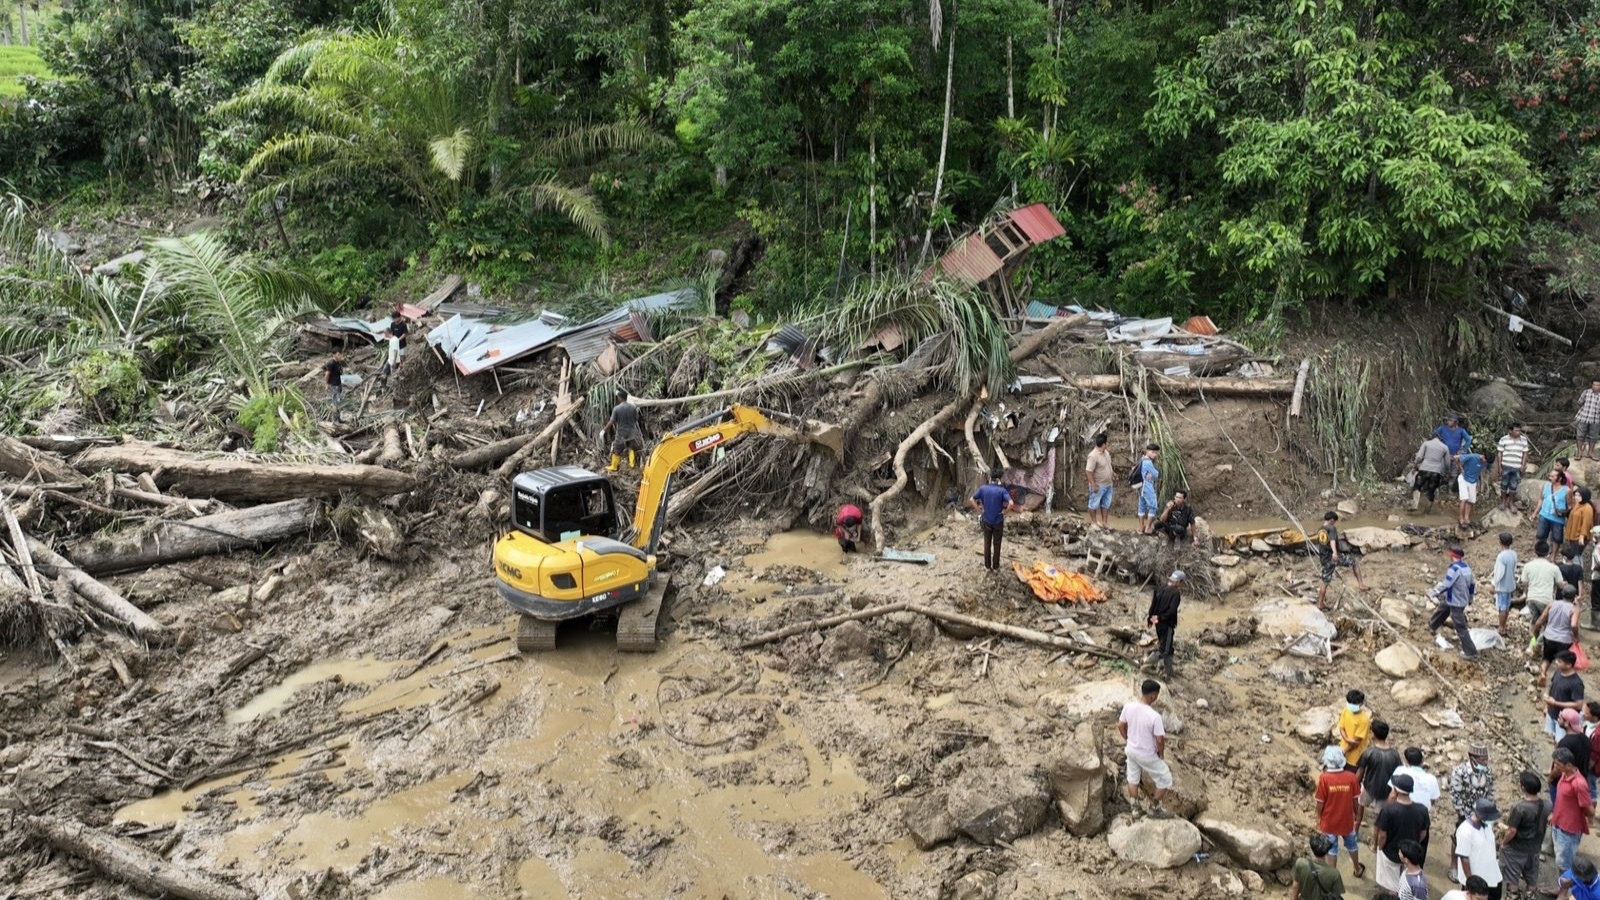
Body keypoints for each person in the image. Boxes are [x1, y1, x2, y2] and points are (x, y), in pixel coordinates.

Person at [1118, 679, 1172, 817]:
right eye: (1157, 695)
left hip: (1131, 750)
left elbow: (1120, 725)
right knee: (1165, 778)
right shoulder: (1155, 716)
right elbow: (1159, 740)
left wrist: (1127, 739)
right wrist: (1161, 754)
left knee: (1133, 778)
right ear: (1153, 696)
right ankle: (1154, 808)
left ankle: (1135, 809)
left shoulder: (1129, 707)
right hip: (1146, 754)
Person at [1499, 771, 1550, 900]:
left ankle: (1513, 894)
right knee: (1532, 874)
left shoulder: (1519, 807)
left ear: (1523, 788)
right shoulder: (1547, 804)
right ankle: (1530, 894)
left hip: (1517, 848)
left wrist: (1504, 843)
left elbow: (1511, 830)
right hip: (1535, 847)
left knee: (1512, 873)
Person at [1375, 777, 1431, 895]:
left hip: (1390, 853)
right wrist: (1413, 845)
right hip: (1410, 854)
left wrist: (1380, 847)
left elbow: (1382, 835)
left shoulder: (1388, 810)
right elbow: (1423, 834)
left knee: (1392, 886)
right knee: (1405, 880)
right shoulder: (1422, 810)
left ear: (1396, 790)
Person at [1316, 745, 1364, 880]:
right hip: (1346, 820)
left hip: (1329, 821)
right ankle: (1357, 868)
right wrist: (1356, 814)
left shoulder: (1324, 779)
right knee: (1352, 845)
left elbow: (1320, 803)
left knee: (1331, 849)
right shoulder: (1351, 777)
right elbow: (1355, 800)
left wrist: (1319, 817)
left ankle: (1333, 877)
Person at [1428, 546, 1479, 660]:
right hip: (1461, 599)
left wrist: (1433, 592)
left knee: (1460, 626)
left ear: (1452, 555)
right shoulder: (1466, 568)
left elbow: (1446, 585)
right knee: (1444, 608)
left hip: (1456, 601)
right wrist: (1470, 598)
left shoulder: (1454, 569)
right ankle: (1433, 625)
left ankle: (1471, 652)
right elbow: (1472, 585)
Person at [1551, 747, 1594, 883]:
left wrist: (1574, 815)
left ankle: (1565, 891)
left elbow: (1590, 810)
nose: (1555, 767)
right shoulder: (1564, 775)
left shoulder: (1579, 784)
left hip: (1569, 830)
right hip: (1558, 824)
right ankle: (1560, 887)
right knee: (1560, 860)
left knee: (1566, 863)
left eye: (1558, 764)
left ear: (1569, 765)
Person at [1316, 511, 1370, 610]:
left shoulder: (1320, 530)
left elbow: (1322, 545)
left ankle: (1320, 603)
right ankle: (1361, 585)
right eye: (1335, 521)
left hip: (1324, 558)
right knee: (1354, 562)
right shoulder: (1331, 528)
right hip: (1332, 557)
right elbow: (1332, 541)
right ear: (1332, 520)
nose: (1335, 523)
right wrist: (1335, 553)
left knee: (1325, 581)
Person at [1449, 746, 1497, 849]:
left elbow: (1491, 790)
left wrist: (1488, 809)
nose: (1485, 762)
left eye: (1487, 759)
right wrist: (1464, 815)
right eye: (1482, 760)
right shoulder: (1460, 772)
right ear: (1472, 759)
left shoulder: (1488, 771)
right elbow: (1456, 796)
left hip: (1483, 813)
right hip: (1466, 814)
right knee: (1459, 839)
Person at [1453, 798, 1503, 898]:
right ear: (1480, 816)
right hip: (1478, 883)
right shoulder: (1465, 831)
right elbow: (1464, 859)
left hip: (1493, 875)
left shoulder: (1487, 826)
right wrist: (1471, 883)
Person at [969, 469, 1015, 572]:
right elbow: (1011, 503)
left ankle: (987, 566)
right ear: (999, 480)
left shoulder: (983, 489)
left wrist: (980, 510)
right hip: (998, 521)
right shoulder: (1002, 490)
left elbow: (972, 499)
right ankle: (996, 566)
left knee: (987, 543)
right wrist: (1005, 512)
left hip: (986, 520)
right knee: (997, 544)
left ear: (990, 478)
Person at [1360, 721, 1404, 829]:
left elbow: (1360, 772)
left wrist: (1355, 784)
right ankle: (1376, 839)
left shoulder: (1369, 752)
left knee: (1359, 808)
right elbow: (1399, 773)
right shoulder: (1395, 754)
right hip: (1386, 790)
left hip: (1369, 786)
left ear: (1374, 735)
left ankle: (1355, 831)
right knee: (1379, 820)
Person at [1537, 587, 1583, 685]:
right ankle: (1556, 681)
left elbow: (1541, 619)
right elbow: (1573, 625)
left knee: (1547, 658)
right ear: (1574, 597)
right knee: (1561, 661)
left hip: (1549, 636)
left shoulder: (1552, 604)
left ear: (1562, 594)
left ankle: (1543, 673)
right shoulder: (1574, 609)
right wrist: (1576, 636)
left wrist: (1535, 631)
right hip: (1564, 640)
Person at [1146, 570, 1183, 679]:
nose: (1182, 585)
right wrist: (1160, 617)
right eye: (1182, 583)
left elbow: (1153, 605)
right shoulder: (1175, 593)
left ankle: (1169, 672)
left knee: (1169, 647)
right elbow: (1171, 611)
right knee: (1164, 650)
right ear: (1178, 582)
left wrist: (1150, 619)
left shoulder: (1159, 588)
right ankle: (1146, 665)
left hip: (1157, 623)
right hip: (1167, 624)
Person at [1291, 833, 1348, 900]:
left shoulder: (1300, 863)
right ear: (1327, 851)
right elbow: (1336, 896)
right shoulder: (1335, 874)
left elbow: (1295, 886)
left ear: (1311, 849)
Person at [1546, 651, 1587, 739]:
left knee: (1562, 741)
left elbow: (1578, 705)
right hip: (1552, 713)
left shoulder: (1576, 683)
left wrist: (1555, 703)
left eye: (1559, 661)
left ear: (1569, 665)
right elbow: (1552, 688)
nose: (1556, 662)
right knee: (1552, 736)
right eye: (1556, 660)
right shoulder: (1558, 672)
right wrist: (1547, 706)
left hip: (1565, 721)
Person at [602, 389, 645, 472]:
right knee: (631, 447)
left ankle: (614, 466)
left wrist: (604, 430)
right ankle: (632, 464)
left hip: (621, 433)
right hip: (631, 432)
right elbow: (636, 419)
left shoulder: (617, 409)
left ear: (620, 398)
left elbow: (611, 422)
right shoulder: (633, 407)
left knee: (617, 449)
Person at [1496, 423, 1533, 511]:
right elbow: (1500, 453)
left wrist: (1523, 465)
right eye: (1516, 430)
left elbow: (1525, 453)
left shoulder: (1523, 440)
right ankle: (1503, 501)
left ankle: (1511, 502)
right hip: (1506, 465)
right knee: (1504, 483)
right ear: (1510, 431)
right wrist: (1499, 467)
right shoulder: (1503, 439)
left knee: (1514, 484)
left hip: (1517, 466)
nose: (1518, 432)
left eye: (1519, 430)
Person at [1527, 541, 1565, 623]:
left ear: (1535, 551)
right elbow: (1560, 585)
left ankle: (1533, 632)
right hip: (1546, 599)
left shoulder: (1528, 566)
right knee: (1547, 622)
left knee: (1534, 621)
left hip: (1531, 598)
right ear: (1548, 553)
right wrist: (1566, 584)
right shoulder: (1554, 568)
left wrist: (1527, 594)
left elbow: (1525, 583)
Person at [1396, 747, 1443, 811]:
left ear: (1406, 761)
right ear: (1422, 761)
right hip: (1423, 812)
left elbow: (1393, 792)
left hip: (1402, 810)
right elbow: (1433, 799)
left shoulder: (1400, 771)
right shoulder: (1431, 778)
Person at [1416, 434, 1454, 509]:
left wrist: (1415, 464)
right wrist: (1447, 472)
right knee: (1431, 491)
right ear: (1440, 439)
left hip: (1424, 469)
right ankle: (1426, 511)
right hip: (1436, 472)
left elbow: (1419, 457)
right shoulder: (1445, 447)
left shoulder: (1426, 443)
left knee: (1417, 486)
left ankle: (1415, 504)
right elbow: (1447, 463)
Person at [1084, 433, 1115, 529]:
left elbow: (1108, 465)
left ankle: (1104, 522)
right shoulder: (1093, 456)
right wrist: (1093, 485)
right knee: (1093, 504)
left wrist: (1113, 473)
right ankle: (1093, 522)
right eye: (1107, 443)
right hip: (1098, 485)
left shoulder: (1106, 453)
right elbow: (1088, 471)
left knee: (1106, 504)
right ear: (1104, 444)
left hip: (1108, 484)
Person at [1338, 688, 1374, 770]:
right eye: (1349, 702)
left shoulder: (1364, 720)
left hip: (1354, 758)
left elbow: (1356, 742)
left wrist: (1344, 751)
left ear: (1360, 704)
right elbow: (1341, 727)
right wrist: (1347, 739)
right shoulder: (1346, 710)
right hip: (1342, 750)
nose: (1351, 705)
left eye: (1354, 703)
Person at [1493, 533, 1519, 637]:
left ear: (1500, 542)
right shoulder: (1513, 554)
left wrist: (1494, 583)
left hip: (1502, 585)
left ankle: (1501, 628)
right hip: (1510, 584)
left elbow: (1499, 573)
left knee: (1502, 607)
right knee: (1506, 606)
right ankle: (1503, 625)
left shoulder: (1501, 556)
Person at [1543, 469, 1576, 546]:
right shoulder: (1546, 486)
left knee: (1556, 538)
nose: (1550, 478)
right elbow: (1541, 498)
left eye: (1552, 476)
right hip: (1545, 515)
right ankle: (1543, 549)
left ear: (1560, 478)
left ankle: (1553, 552)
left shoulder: (1566, 490)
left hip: (1558, 517)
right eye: (1550, 476)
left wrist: (1566, 513)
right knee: (1542, 535)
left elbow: (1569, 505)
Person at [1458, 447, 1489, 529]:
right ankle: (1461, 518)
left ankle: (1466, 517)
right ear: (1483, 456)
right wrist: (1461, 469)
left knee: (1471, 500)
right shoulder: (1472, 456)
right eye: (1485, 460)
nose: (1485, 462)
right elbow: (1456, 458)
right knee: (1464, 499)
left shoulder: (1485, 463)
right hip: (1464, 479)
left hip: (1473, 481)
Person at [1136, 443, 1161, 535]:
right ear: (1147, 451)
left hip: (1140, 487)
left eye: (1156, 452)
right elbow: (1156, 474)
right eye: (1152, 452)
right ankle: (1148, 528)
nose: (1155, 454)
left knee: (1141, 506)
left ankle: (1141, 527)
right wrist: (1153, 473)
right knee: (1153, 506)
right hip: (1147, 487)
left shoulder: (1142, 459)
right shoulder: (1148, 462)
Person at [380, 310, 408, 378]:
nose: (394, 320)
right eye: (393, 319)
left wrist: (398, 340)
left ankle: (403, 371)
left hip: (402, 345)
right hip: (395, 344)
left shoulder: (403, 324)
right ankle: (396, 373)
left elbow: (405, 334)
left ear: (399, 317)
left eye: (395, 318)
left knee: (402, 358)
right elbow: (391, 333)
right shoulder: (392, 324)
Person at [324, 350, 345, 423]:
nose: (340, 356)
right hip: (334, 385)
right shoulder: (331, 363)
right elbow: (327, 374)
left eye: (340, 354)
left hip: (338, 384)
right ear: (334, 355)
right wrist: (326, 384)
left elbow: (340, 372)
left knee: (338, 401)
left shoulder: (338, 363)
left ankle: (338, 418)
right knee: (335, 402)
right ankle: (335, 420)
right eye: (338, 354)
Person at [1581, 381, 1600, 462]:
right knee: (1581, 435)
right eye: (1594, 384)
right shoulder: (1586, 392)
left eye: (1597, 385)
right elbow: (1580, 402)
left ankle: (1591, 452)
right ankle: (1580, 452)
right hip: (1584, 417)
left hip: (1595, 419)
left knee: (1593, 436)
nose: (1595, 386)